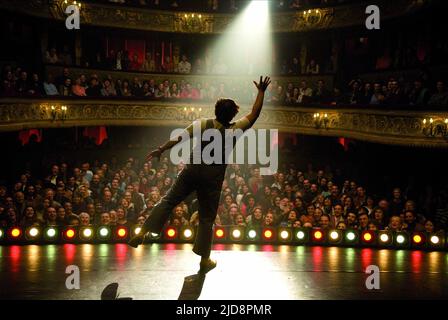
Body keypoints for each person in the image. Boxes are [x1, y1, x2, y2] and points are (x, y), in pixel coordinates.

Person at [128, 76, 271, 274]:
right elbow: (255, 113)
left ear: (216, 111)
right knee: (206, 218)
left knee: (169, 200)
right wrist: (261, 92)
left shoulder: (203, 124)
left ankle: (143, 232)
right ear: (232, 116)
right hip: (212, 178)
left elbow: (179, 138)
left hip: (192, 170)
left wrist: (161, 149)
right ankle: (204, 260)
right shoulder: (235, 130)